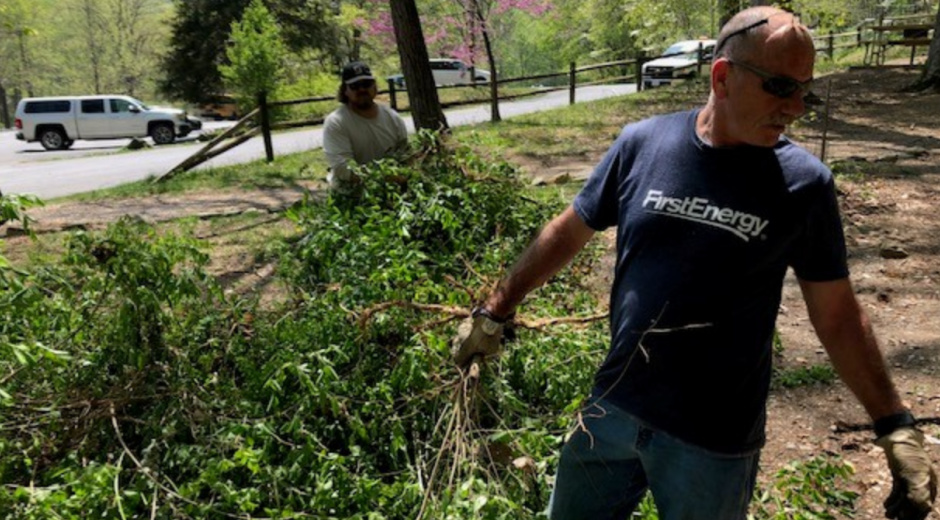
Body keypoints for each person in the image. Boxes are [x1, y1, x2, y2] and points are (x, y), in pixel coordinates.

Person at [453, 7, 937, 520]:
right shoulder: (643, 143)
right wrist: (496, 309)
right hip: (612, 408)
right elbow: (569, 230)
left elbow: (837, 314)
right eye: (780, 86)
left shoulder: (804, 185)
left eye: (805, 90)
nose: (796, 107)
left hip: (712, 443)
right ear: (722, 76)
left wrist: (894, 424)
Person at [322, 61, 408, 196]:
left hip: (393, 193)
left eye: (366, 84)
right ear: (345, 91)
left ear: (374, 87)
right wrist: (385, 179)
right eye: (355, 86)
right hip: (351, 195)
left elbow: (405, 155)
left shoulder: (392, 117)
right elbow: (342, 168)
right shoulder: (336, 122)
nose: (362, 89)